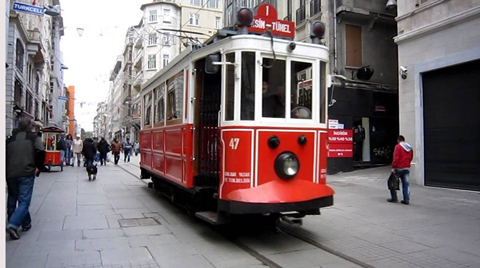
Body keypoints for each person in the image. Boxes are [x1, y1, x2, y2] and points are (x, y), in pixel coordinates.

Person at [6, 117, 45, 240]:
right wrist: (38, 167)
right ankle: (12, 224)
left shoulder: (9, 140)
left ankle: (26, 223)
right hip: (26, 172)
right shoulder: (34, 138)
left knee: (13, 197)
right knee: (24, 201)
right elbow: (41, 151)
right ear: (30, 127)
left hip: (10, 173)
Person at [388, 135, 414, 205]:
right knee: (406, 184)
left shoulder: (398, 147)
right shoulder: (409, 148)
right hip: (406, 168)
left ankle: (394, 198)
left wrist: (393, 167)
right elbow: (411, 157)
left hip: (398, 168)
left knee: (392, 182)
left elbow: (396, 158)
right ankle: (406, 199)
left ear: (398, 140)